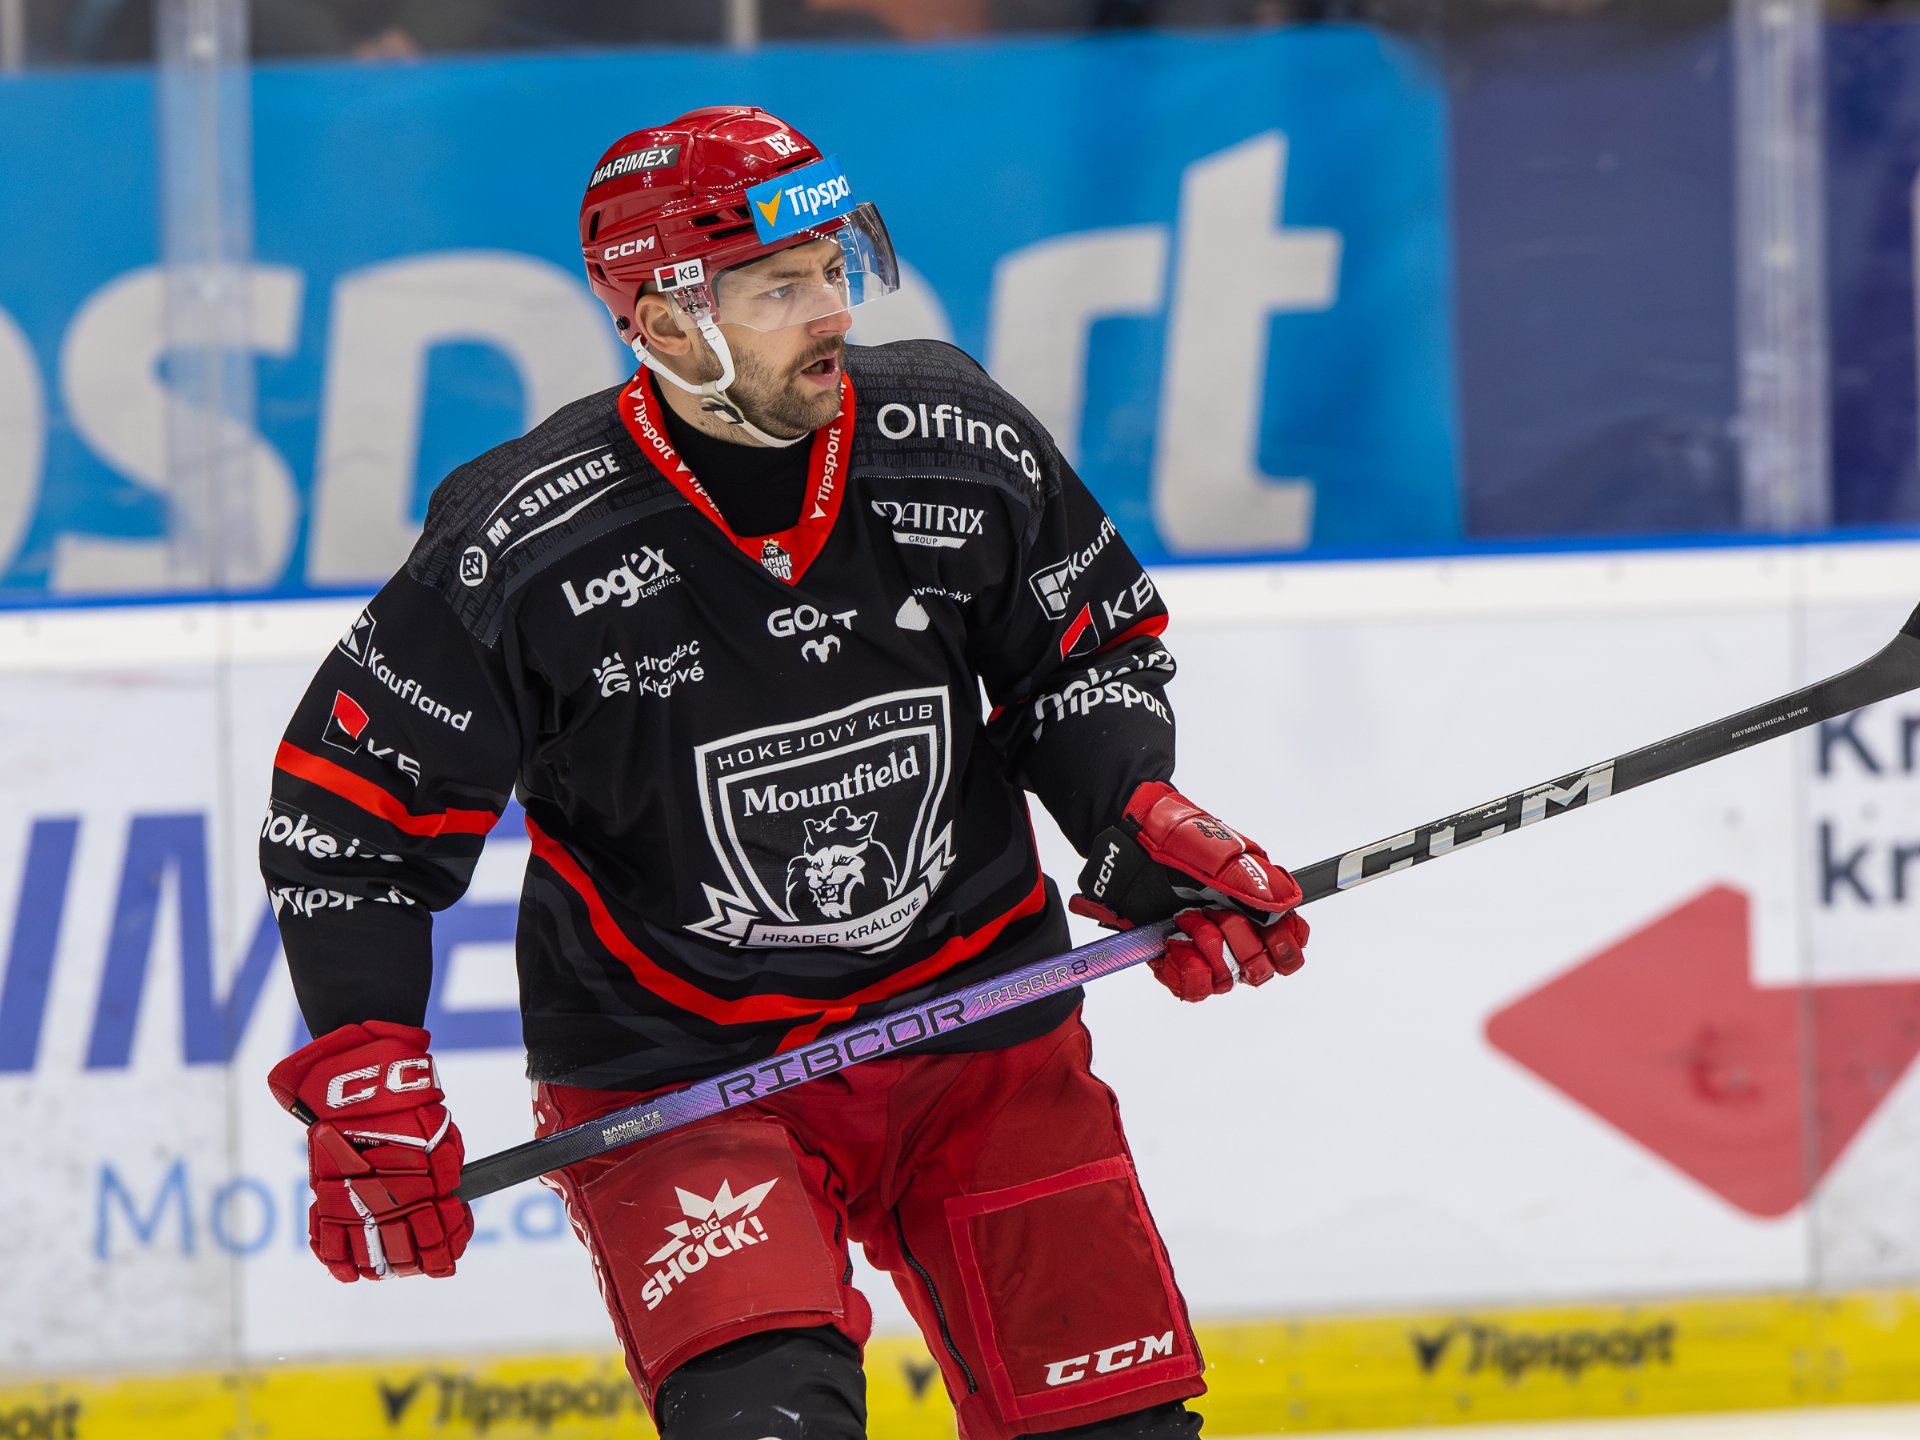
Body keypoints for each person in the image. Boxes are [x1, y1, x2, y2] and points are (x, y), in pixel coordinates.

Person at [261, 105, 1309, 1440]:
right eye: (779, 288)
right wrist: (368, 1069)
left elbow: (1082, 655)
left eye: (834, 268)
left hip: (979, 1026)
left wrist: (1133, 814)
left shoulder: (954, 441)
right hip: (681, 1072)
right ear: (663, 321)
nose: (832, 313)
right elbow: (351, 826)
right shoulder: (527, 543)